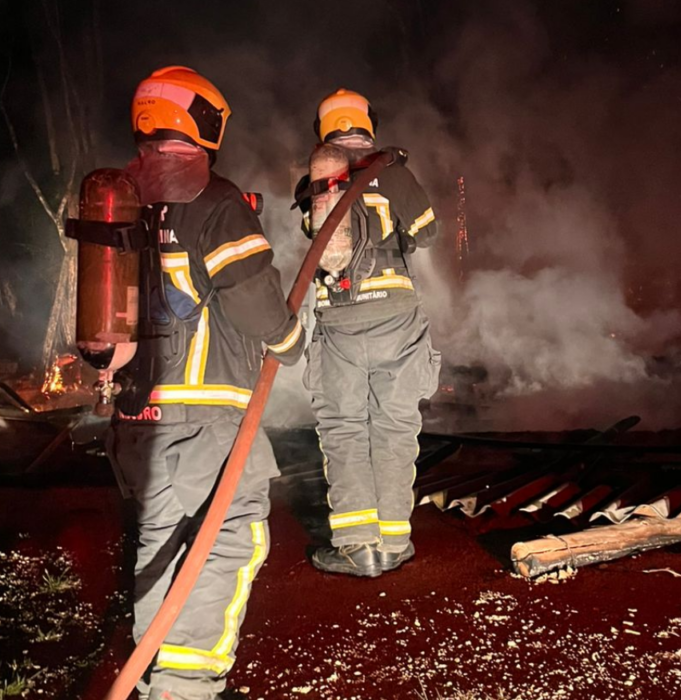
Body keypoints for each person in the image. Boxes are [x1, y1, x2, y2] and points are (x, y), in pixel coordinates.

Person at [108, 66, 304, 700]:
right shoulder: (215, 202)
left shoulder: (118, 198)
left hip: (137, 419)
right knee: (228, 536)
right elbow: (251, 297)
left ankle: (157, 679)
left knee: (161, 542)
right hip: (205, 415)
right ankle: (186, 685)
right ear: (204, 121)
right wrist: (288, 340)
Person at [295, 88, 441, 578]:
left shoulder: (318, 180)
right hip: (396, 317)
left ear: (324, 129)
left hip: (338, 320)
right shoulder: (392, 170)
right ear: (367, 123)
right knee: (396, 427)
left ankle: (359, 547)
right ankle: (395, 541)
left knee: (344, 428)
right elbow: (426, 231)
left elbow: (314, 239)